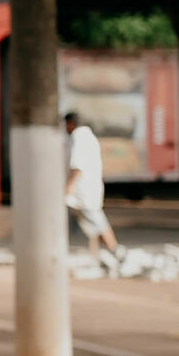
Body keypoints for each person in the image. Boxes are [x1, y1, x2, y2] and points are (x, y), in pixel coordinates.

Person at [65, 110, 123, 260]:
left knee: (96, 220)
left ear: (70, 124)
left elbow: (77, 166)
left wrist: (68, 187)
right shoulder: (88, 136)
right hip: (86, 189)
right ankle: (104, 253)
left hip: (82, 190)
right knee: (86, 223)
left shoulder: (79, 137)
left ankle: (114, 250)